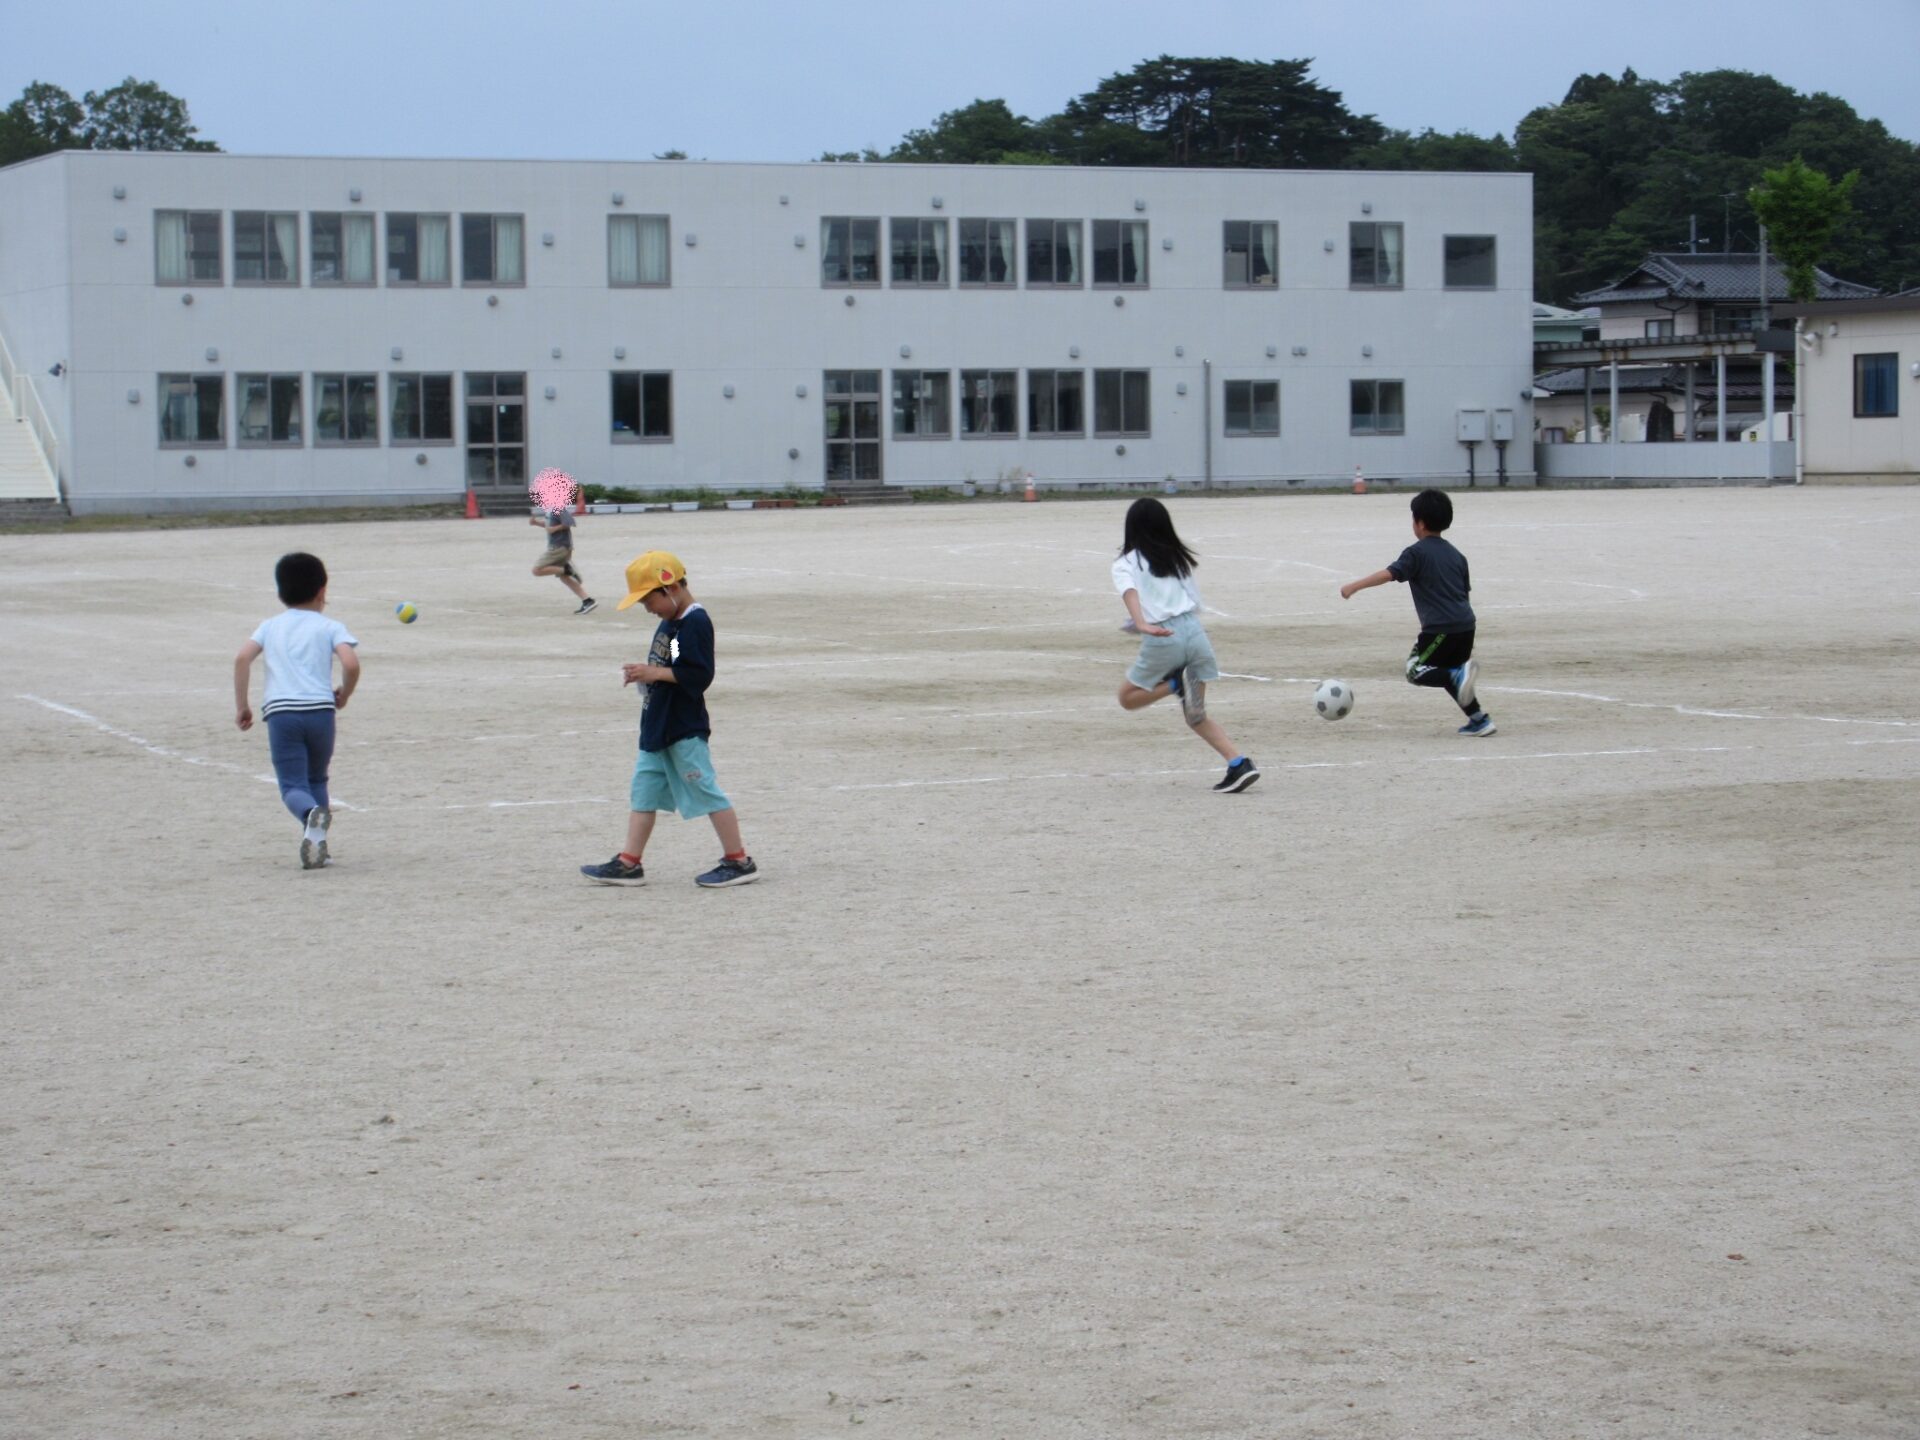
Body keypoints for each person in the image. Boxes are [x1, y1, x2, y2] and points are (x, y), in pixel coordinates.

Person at [581, 551, 760, 888]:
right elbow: (674, 666)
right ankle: (629, 862)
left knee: (705, 789)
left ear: (671, 587)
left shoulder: (695, 622)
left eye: (649, 600)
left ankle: (739, 860)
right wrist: (650, 675)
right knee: (644, 793)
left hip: (682, 727)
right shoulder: (672, 622)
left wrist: (657, 672)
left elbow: (697, 674)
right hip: (657, 726)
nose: (647, 608)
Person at [1112, 497, 1260, 793]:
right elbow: (1189, 602)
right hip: (1195, 633)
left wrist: (1140, 622)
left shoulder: (1126, 562)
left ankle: (1175, 685)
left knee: (1127, 697)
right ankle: (1238, 764)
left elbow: (1129, 590)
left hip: (1165, 638)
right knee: (1196, 715)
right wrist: (1140, 622)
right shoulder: (1176, 559)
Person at [233, 552, 361, 868]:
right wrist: (344, 693)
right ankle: (320, 845)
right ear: (322, 592)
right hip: (320, 712)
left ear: (280, 593)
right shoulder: (330, 626)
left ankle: (308, 816)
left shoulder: (269, 626)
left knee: (292, 785)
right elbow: (350, 662)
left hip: (282, 714)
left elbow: (241, 659)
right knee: (317, 778)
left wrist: (243, 705)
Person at [1339, 488, 1495, 736]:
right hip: (1466, 626)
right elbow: (1464, 593)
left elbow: (1388, 574)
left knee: (1416, 670)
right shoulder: (1457, 555)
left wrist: (1353, 586)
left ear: (1420, 524)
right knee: (1447, 674)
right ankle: (1479, 719)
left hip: (1440, 630)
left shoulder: (1416, 553)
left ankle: (1460, 677)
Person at [530, 503, 595, 613]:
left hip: (559, 547)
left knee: (537, 570)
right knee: (564, 577)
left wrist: (554, 529)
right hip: (558, 547)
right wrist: (537, 523)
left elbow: (569, 522)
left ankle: (568, 570)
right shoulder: (550, 509)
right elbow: (549, 525)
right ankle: (587, 600)